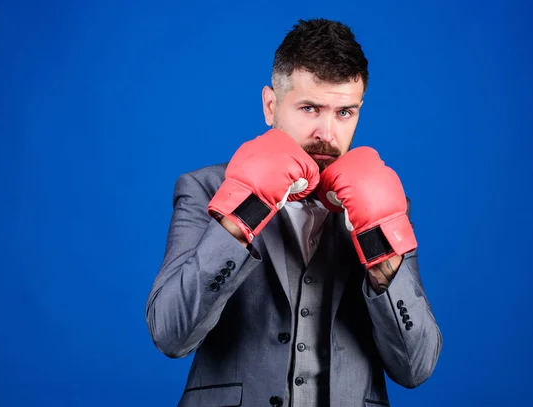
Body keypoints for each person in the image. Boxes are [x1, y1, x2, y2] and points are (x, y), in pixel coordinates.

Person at [145, 18, 442, 407]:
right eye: (309, 108)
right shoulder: (206, 189)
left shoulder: (384, 204)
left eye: (345, 113)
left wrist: (381, 252)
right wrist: (239, 216)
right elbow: (170, 334)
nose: (327, 133)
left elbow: (415, 368)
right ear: (270, 105)